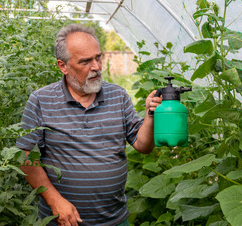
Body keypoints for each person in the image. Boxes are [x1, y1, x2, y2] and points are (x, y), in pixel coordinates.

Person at [16, 24, 162, 226]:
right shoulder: (41, 100)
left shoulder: (118, 96)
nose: (96, 67)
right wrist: (55, 201)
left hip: (115, 220)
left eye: (98, 57)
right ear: (63, 66)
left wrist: (151, 115)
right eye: (85, 61)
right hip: (63, 221)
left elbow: (143, 146)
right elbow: (24, 157)